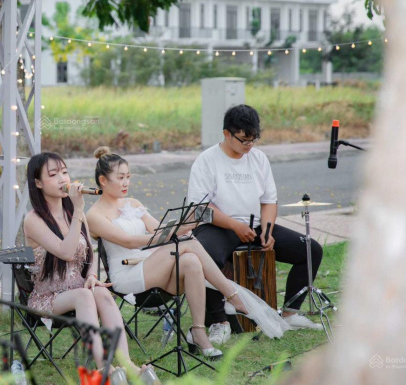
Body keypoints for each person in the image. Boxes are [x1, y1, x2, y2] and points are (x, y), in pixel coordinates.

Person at [87, 147, 290, 358]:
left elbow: (159, 229)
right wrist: (173, 235)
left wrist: (182, 226)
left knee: (191, 260)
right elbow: (128, 241)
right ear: (103, 180)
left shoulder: (133, 203)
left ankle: (198, 332)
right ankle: (232, 296)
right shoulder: (94, 215)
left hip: (151, 267)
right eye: (120, 178)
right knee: (189, 245)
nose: (126, 182)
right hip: (126, 276)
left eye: (128, 177)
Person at [187, 104, 323, 346]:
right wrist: (234, 226)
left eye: (254, 139)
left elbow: (269, 200)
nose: (249, 145)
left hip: (254, 225)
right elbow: (200, 208)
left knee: (310, 250)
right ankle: (219, 321)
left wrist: (268, 230)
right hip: (218, 226)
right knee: (203, 257)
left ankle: (290, 313)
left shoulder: (259, 158)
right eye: (244, 140)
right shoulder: (207, 160)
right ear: (227, 134)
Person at [24, 152, 158, 380]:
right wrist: (78, 210)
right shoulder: (33, 219)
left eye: (65, 172)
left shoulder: (73, 213)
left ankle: (127, 364)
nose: (62, 179)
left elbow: (90, 252)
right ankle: (105, 368)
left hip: (78, 286)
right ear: (38, 183)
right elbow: (66, 252)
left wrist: (93, 275)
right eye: (53, 175)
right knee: (84, 296)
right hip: (48, 296)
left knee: (101, 292)